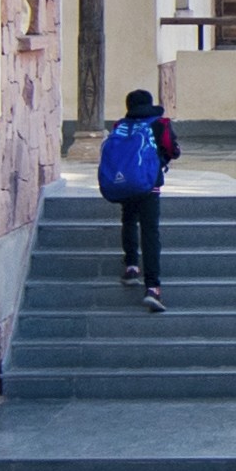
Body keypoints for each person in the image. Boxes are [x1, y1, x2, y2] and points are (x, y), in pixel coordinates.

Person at [99, 85, 177, 307]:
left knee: (129, 219)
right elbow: (174, 151)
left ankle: (131, 265)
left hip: (125, 185)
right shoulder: (160, 124)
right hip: (149, 186)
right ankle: (152, 287)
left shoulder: (120, 126)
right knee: (150, 232)